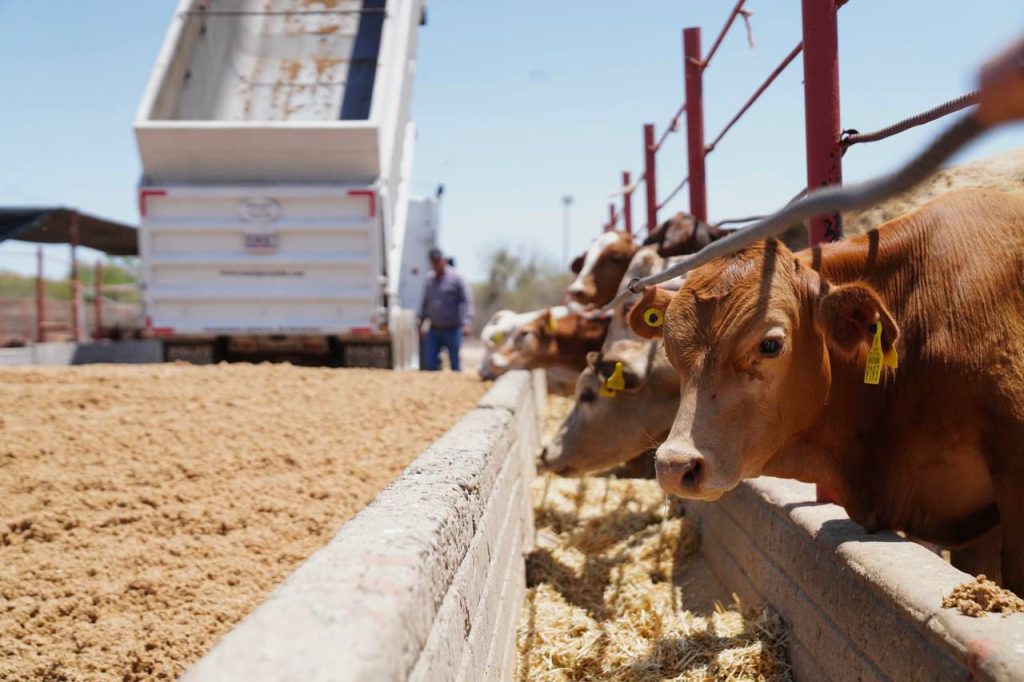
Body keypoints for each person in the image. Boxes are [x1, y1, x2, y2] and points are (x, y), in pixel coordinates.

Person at [419, 247, 474, 371]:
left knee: (455, 364)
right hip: (434, 329)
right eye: (433, 262)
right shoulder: (429, 280)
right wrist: (422, 321)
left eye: (438, 261)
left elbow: (467, 301)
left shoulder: (457, 278)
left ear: (444, 261)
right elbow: (425, 302)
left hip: (453, 329)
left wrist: (467, 322)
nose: (436, 264)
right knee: (430, 364)